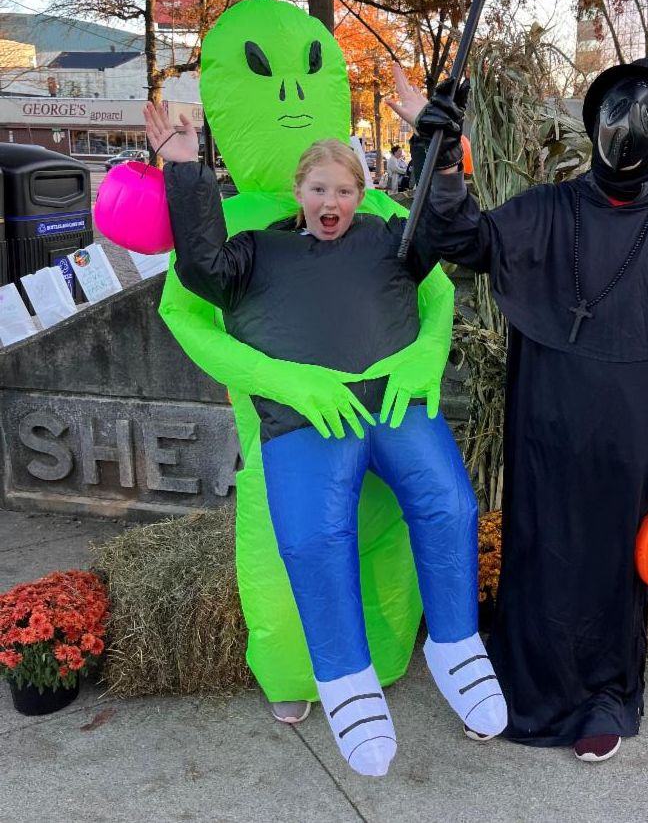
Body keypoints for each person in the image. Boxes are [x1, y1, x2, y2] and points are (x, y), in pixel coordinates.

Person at [145, 107, 507, 777]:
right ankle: (345, 679)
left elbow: (443, 234)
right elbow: (199, 270)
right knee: (314, 537)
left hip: (394, 405)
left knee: (450, 506)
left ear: (359, 193)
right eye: (319, 190)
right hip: (306, 421)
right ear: (298, 192)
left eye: (343, 190)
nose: (331, 202)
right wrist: (185, 167)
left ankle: (456, 646)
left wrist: (437, 148)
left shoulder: (388, 238)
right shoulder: (258, 250)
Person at [388, 58, 648, 762]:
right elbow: (460, 240)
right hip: (543, 422)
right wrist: (442, 158)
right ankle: (519, 682)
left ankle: (603, 695)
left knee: (609, 565)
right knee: (537, 552)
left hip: (629, 438)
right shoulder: (546, 209)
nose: (624, 139)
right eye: (613, 121)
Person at [155, 0, 455, 734]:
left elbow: (437, 284)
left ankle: (383, 661)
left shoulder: (377, 210)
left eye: (308, 72)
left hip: (383, 418)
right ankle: (296, 670)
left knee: (383, 539)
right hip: (286, 431)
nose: (290, 92)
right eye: (264, 74)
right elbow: (185, 310)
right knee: (293, 545)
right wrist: (282, 380)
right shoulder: (231, 221)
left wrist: (427, 356)